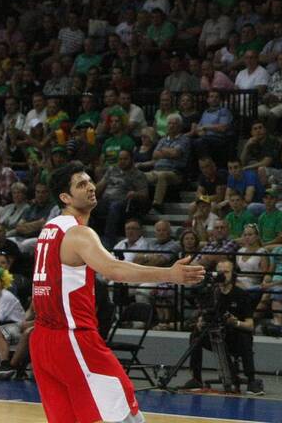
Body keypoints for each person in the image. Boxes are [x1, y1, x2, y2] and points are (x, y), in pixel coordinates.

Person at [32, 162, 204, 423]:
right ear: (65, 197)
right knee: (127, 415)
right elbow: (113, 269)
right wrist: (169, 274)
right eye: (81, 184)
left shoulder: (49, 228)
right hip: (72, 338)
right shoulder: (79, 233)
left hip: (43, 341)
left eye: (89, 181)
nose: (90, 187)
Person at [182, 257, 263, 395]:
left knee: (244, 337)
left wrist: (235, 322)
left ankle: (251, 381)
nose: (222, 275)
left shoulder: (241, 294)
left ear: (233, 274)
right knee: (195, 335)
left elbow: (250, 325)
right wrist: (201, 322)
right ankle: (196, 378)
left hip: (235, 336)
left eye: (226, 272)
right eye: (220, 272)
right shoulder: (212, 293)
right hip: (215, 334)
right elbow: (205, 313)